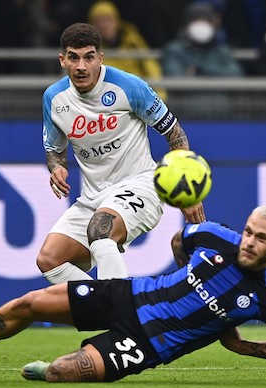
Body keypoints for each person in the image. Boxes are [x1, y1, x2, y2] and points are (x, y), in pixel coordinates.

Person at [0, 205, 266, 383]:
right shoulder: (215, 237)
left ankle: (50, 374)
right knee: (30, 303)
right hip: (127, 295)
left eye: (261, 238)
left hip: (146, 343)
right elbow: (180, 240)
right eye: (248, 232)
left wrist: (243, 347)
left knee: (61, 371)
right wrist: (180, 276)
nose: (249, 242)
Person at [38, 22, 203, 284]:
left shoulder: (129, 86)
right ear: (62, 60)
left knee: (100, 231)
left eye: (89, 57)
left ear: (100, 59)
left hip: (141, 185)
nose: (81, 66)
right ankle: (106, 310)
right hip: (93, 198)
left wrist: (188, 194)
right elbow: (54, 150)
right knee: (49, 259)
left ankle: (121, 312)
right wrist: (57, 167)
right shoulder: (54, 99)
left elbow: (175, 133)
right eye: (74, 57)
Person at [87, 0, 164, 98]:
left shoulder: (133, 42)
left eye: (108, 20)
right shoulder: (88, 52)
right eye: (98, 21)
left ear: (117, 21)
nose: (103, 26)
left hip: (138, 99)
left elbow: (151, 68)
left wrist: (159, 97)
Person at [161, 2, 244, 77]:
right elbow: (174, 78)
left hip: (217, 94)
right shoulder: (174, 50)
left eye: (205, 21)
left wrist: (201, 71)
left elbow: (236, 74)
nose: (201, 25)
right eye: (196, 20)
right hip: (188, 94)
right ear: (187, 24)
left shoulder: (221, 50)